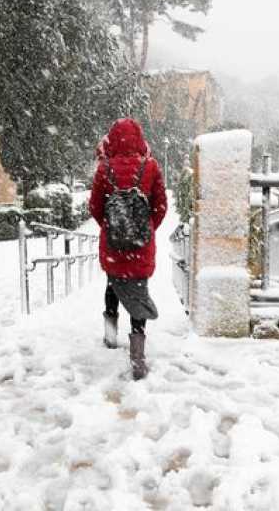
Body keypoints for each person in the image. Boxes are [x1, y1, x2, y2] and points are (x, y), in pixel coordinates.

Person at [89, 118, 167, 380]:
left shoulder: (104, 168)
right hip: (140, 246)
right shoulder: (150, 166)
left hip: (113, 245)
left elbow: (95, 208)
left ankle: (110, 336)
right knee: (139, 292)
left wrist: (112, 227)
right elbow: (160, 206)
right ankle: (137, 355)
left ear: (112, 139)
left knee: (113, 285)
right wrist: (144, 229)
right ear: (139, 139)